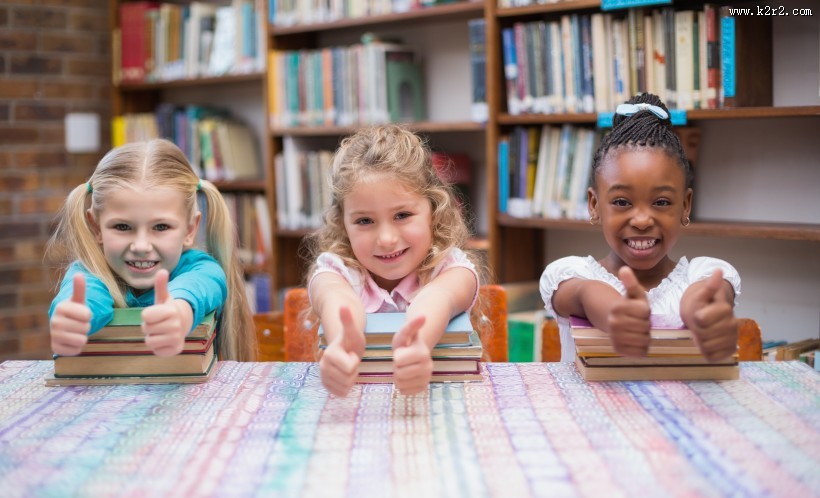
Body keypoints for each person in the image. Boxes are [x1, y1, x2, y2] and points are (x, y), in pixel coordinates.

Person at [540, 93, 740, 363]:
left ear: (685, 206)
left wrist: (700, 313)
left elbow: (708, 296)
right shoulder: (571, 275)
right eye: (622, 201)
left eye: (661, 202)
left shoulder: (703, 275)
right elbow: (585, 294)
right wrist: (616, 314)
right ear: (594, 205)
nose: (642, 220)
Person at [305, 125, 481, 397]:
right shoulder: (336, 270)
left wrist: (418, 343)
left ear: (433, 211)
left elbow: (438, 299)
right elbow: (336, 299)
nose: (386, 239)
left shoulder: (452, 269)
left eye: (402, 215)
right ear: (343, 225)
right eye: (365, 221)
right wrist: (341, 341)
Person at [47, 139, 256, 361]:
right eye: (122, 227)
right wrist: (74, 319)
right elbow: (85, 298)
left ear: (190, 229)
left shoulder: (202, 269)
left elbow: (196, 288)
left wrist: (178, 313)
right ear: (96, 227)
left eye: (161, 227)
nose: (141, 246)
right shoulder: (87, 274)